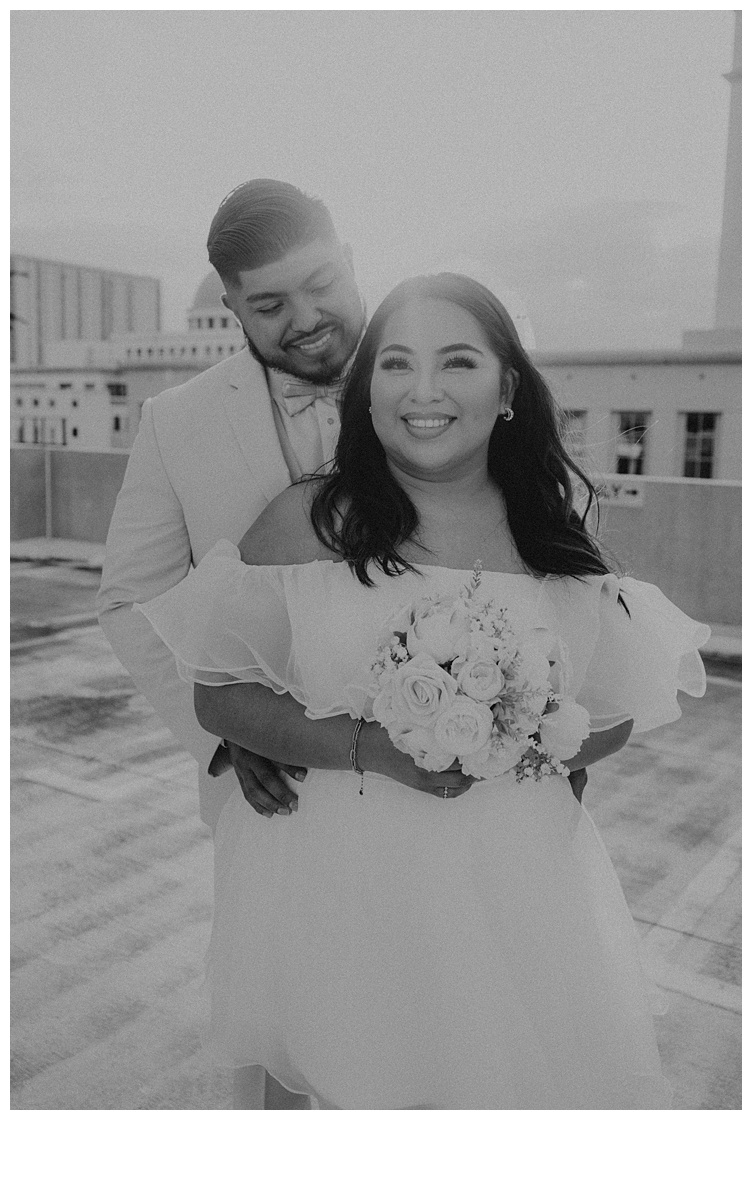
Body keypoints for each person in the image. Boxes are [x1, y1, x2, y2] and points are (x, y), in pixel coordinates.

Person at [136, 273, 709, 1109]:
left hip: (514, 888)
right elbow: (220, 695)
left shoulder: (555, 536)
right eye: (396, 364)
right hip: (337, 888)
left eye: (458, 362)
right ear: (366, 395)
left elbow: (616, 707)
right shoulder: (310, 521)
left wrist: (530, 740)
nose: (425, 391)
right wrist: (377, 750)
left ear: (507, 387)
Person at [97, 178, 366, 1110]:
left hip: (443, 775)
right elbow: (130, 596)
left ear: (348, 253)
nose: (306, 318)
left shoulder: (440, 370)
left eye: (319, 282)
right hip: (276, 796)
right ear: (231, 306)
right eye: (269, 304)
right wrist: (223, 732)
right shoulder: (178, 421)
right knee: (288, 1050)